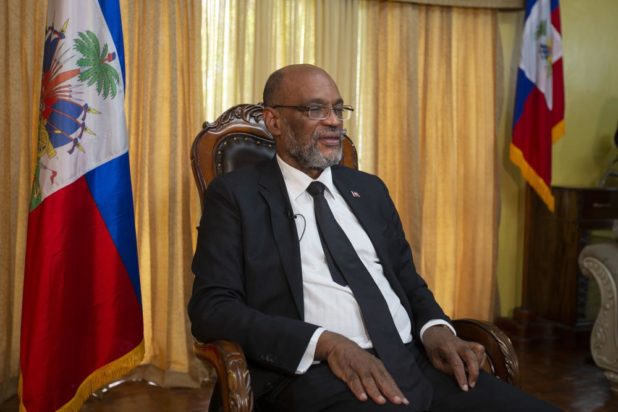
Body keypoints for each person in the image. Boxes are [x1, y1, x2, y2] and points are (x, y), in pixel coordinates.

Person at [188, 64, 559, 411]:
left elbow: (408, 281)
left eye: (338, 109)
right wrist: (326, 343)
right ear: (275, 121)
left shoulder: (369, 190)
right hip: (315, 373)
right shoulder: (236, 196)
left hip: (413, 359)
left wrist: (437, 330)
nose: (334, 121)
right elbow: (212, 308)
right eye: (315, 109)